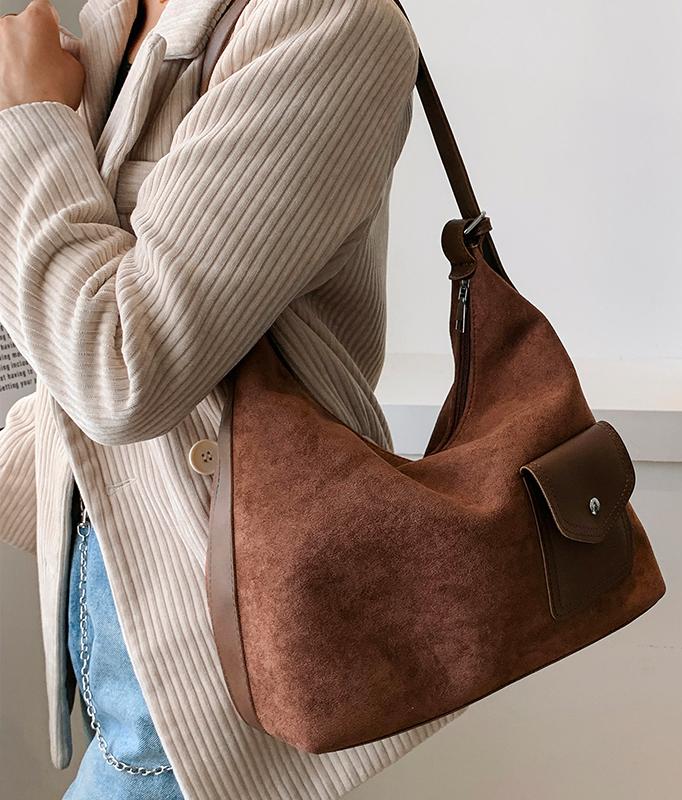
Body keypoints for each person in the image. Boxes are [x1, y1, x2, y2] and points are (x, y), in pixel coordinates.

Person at [0, 0, 462, 797]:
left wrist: (28, 124)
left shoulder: (331, 22)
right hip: (121, 673)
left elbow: (125, 372)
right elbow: (59, 333)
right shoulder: (119, 13)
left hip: (208, 690)